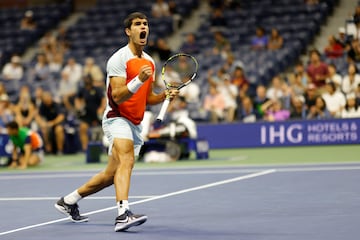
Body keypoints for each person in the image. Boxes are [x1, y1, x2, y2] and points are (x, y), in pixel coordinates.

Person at [54, 12, 179, 232]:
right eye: (138, 24)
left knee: (111, 175)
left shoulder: (149, 61)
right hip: (116, 117)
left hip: (135, 122)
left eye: (146, 24)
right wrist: (138, 79)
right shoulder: (118, 59)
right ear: (128, 31)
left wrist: (163, 96)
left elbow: (147, 98)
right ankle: (123, 215)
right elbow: (119, 95)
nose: (143, 27)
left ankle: (69, 201)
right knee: (127, 159)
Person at [74, 75, 106, 151]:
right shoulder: (82, 90)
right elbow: (77, 99)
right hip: (87, 114)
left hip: (98, 113)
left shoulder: (97, 89)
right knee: (82, 128)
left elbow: (103, 100)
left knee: (106, 128)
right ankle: (85, 149)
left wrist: (101, 108)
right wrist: (78, 107)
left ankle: (106, 147)